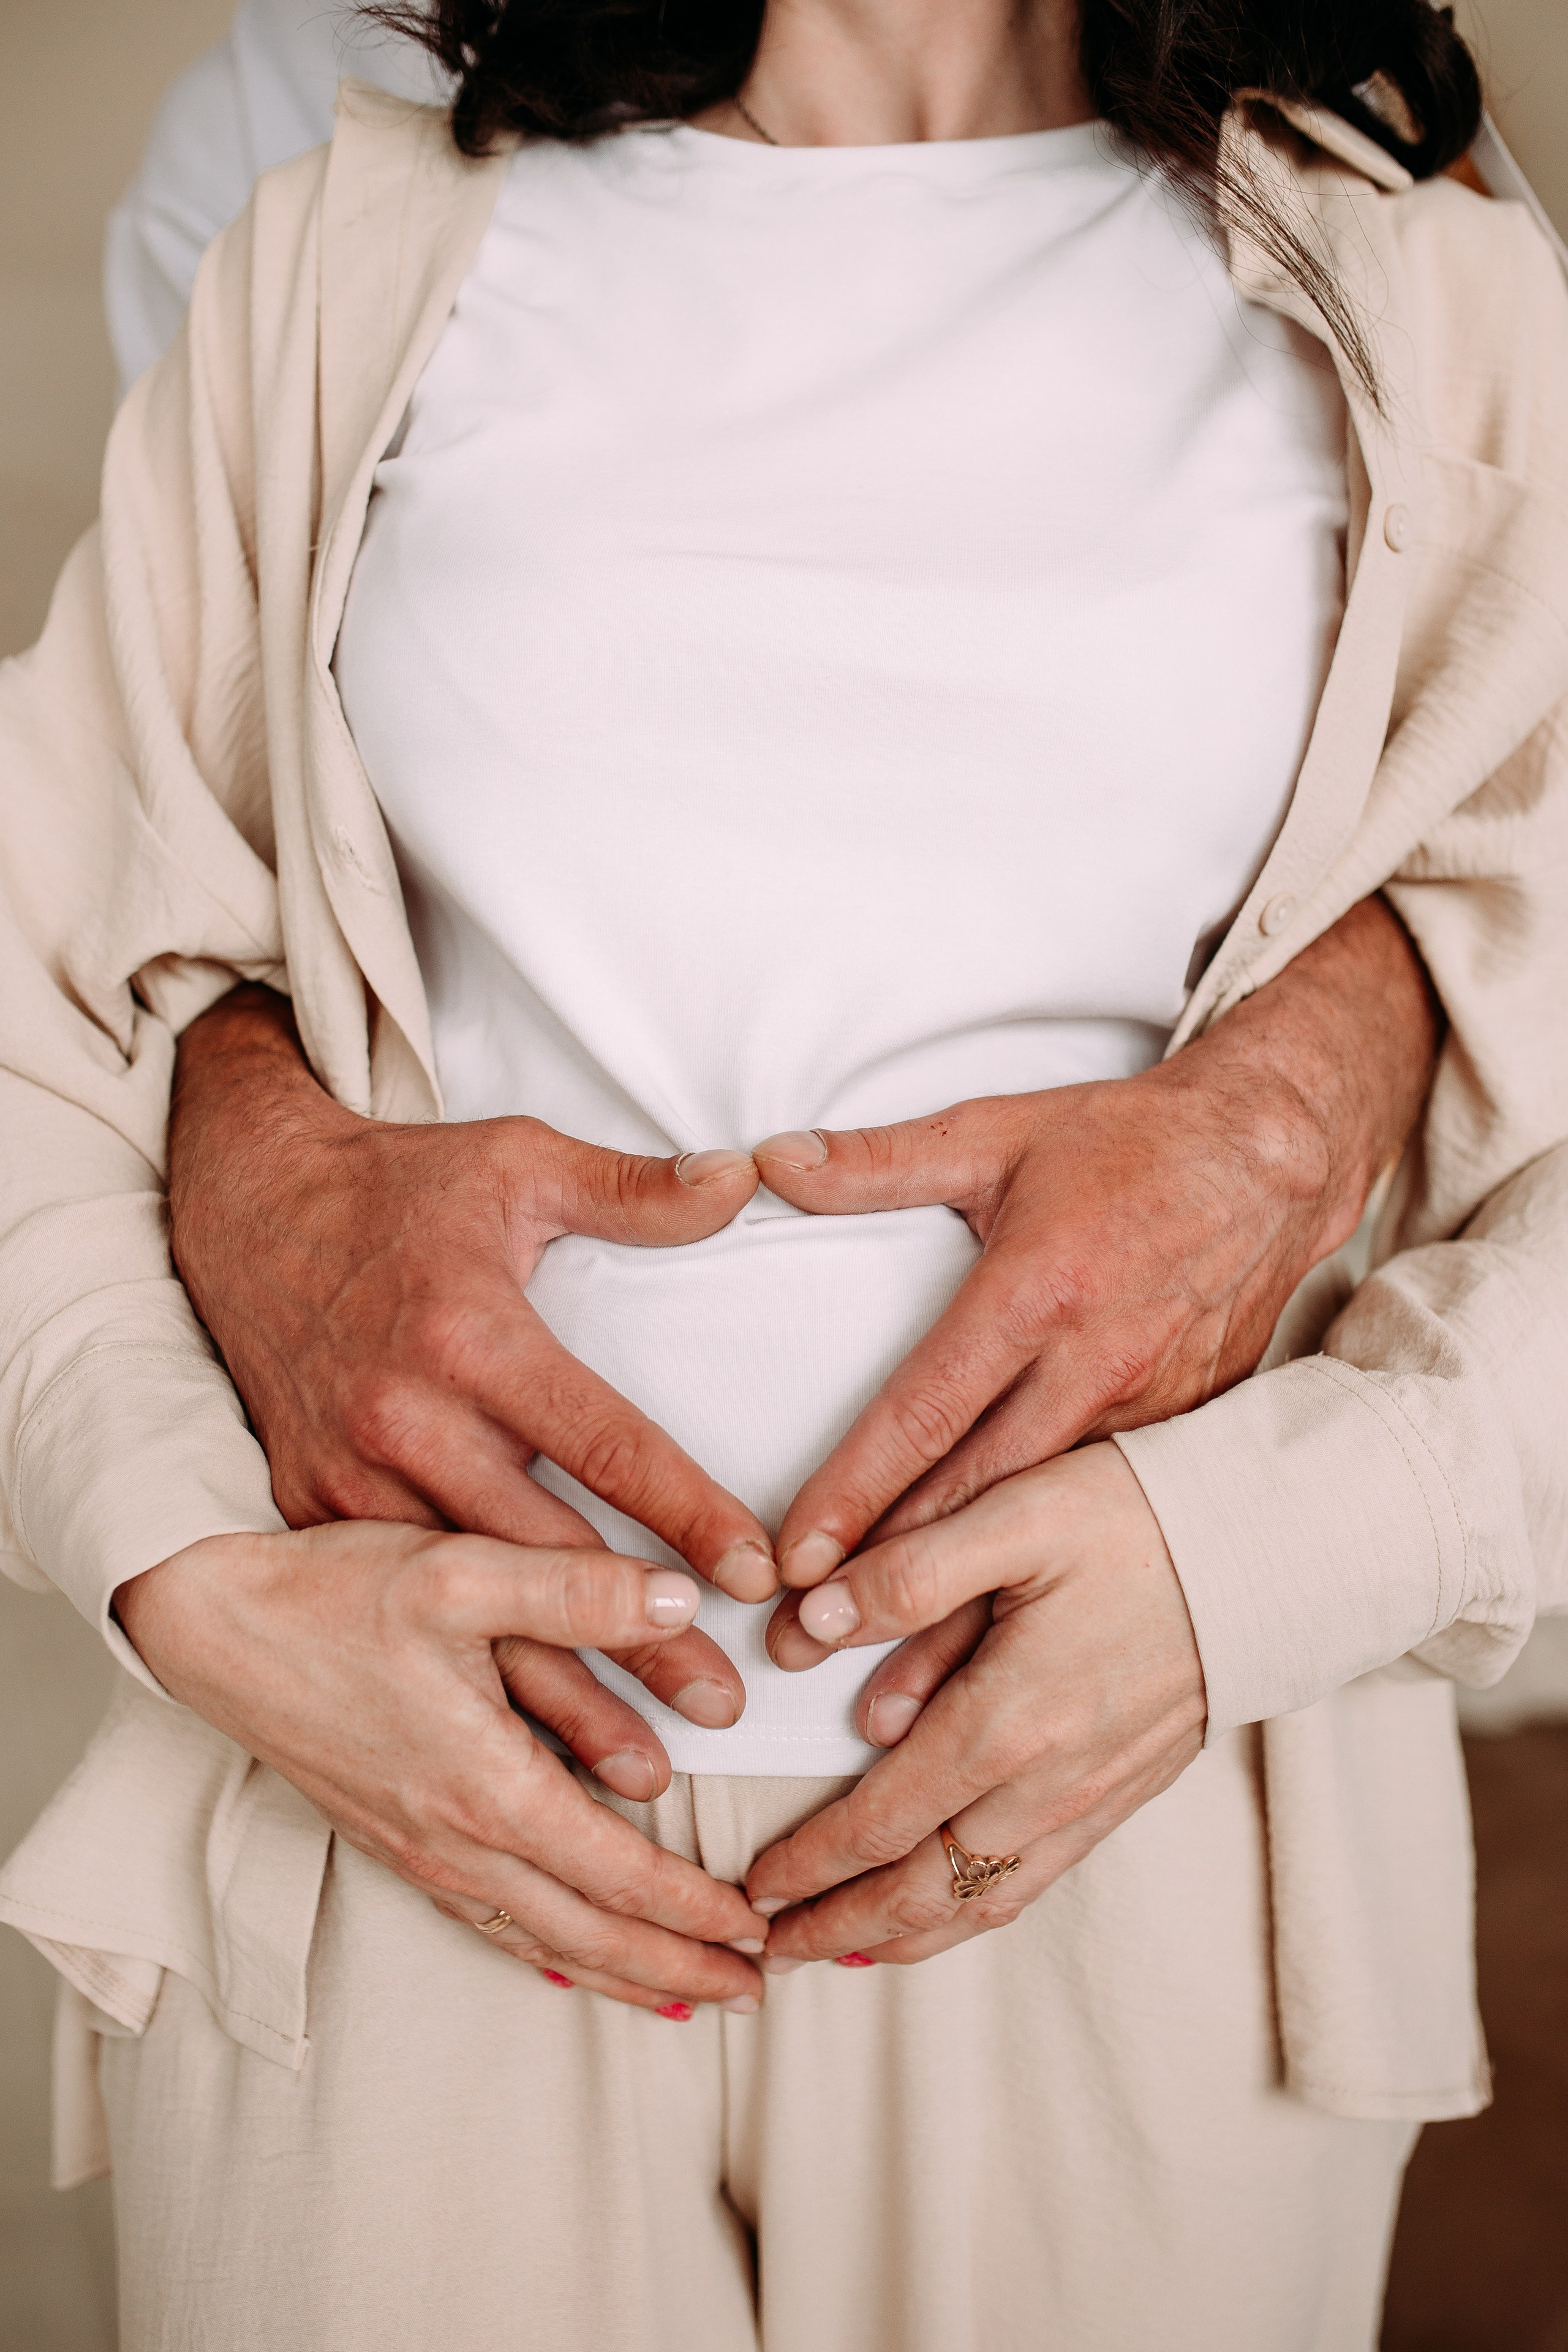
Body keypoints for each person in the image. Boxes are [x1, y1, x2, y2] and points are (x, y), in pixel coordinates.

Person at [3, 0, 1568, 2345]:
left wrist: (1247, 1561)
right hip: (405, 1814)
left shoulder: (1426, 292)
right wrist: (199, 1582)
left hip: (1130, 1822)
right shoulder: (349, 250)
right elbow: (44, 1007)